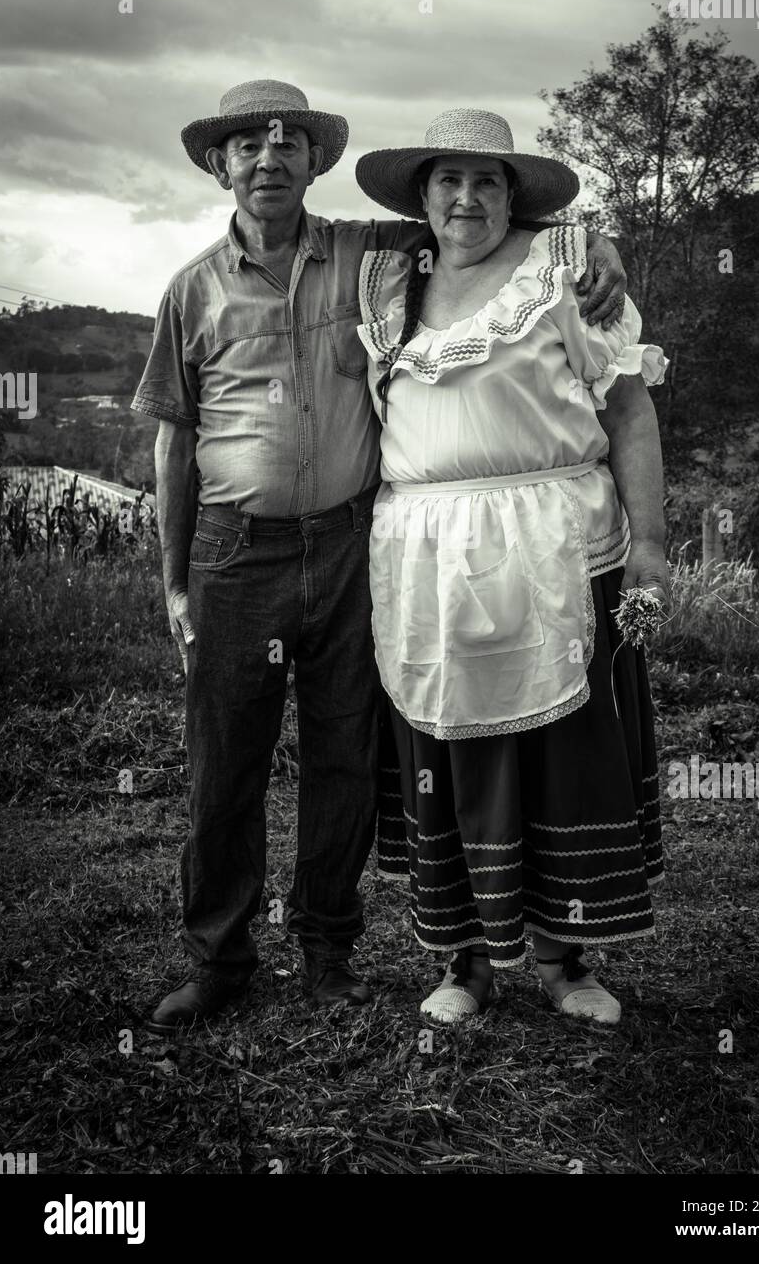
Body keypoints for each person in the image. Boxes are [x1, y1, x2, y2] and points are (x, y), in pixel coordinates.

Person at [131, 81, 629, 1031]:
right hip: (236, 554)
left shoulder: (376, 253)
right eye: (247, 147)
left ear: (316, 162)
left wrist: (594, 240)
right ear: (219, 164)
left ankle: (328, 951)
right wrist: (173, 583)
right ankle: (219, 961)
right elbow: (171, 442)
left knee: (346, 756)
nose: (268, 161)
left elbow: (505, 232)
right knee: (222, 764)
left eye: (287, 147)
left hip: (353, 541)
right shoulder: (189, 289)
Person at [355, 108, 670, 1025]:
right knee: (448, 750)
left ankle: (567, 962)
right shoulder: (384, 282)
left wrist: (650, 546)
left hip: (558, 545)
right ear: (421, 196)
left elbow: (632, 413)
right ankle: (464, 963)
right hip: (424, 560)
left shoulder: (565, 276)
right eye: (448, 180)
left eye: (487, 181)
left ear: (513, 196)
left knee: (560, 751)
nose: (466, 198)